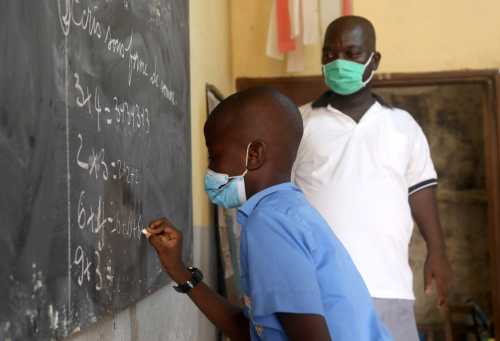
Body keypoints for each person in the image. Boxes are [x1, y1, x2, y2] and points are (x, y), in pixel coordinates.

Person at [144, 87, 392, 341]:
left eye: (214, 155)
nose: (210, 168)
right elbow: (251, 331)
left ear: (254, 155)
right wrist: (179, 269)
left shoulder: (268, 225)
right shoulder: (289, 211)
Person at [292, 15, 453, 341]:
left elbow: (421, 193)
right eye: (329, 53)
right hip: (317, 288)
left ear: (373, 59)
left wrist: (438, 252)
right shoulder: (297, 122)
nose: (339, 62)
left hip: (387, 286)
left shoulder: (402, 126)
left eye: (351, 53)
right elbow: (276, 196)